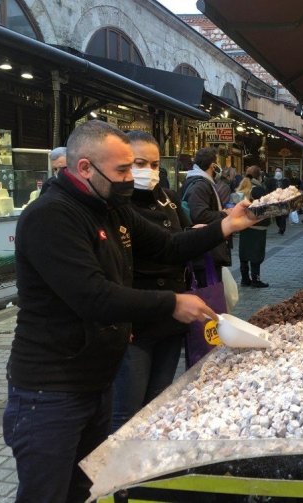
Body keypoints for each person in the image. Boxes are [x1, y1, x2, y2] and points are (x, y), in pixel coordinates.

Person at [3, 120, 258, 502]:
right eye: (122, 169)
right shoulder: (51, 216)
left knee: (85, 490)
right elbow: (94, 297)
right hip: (50, 391)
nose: (131, 178)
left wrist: (227, 225)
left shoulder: (111, 207)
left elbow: (169, 246)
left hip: (94, 382)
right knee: (47, 494)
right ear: (85, 168)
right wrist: (172, 302)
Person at [110, 131, 191, 434]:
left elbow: (180, 244)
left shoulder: (169, 199)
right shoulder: (116, 206)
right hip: (136, 322)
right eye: (139, 163)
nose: (148, 171)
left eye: (154, 164)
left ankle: (146, 458)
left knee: (158, 402)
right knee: (126, 411)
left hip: (171, 317)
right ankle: (118, 464)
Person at [179, 147, 232, 287]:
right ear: (213, 165)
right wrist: (225, 214)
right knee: (208, 292)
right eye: (217, 162)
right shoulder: (200, 185)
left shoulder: (201, 182)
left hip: (205, 250)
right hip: (205, 253)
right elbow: (200, 215)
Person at [238, 176, 270, 287]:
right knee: (256, 256)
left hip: (245, 229)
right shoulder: (260, 193)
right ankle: (256, 280)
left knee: (244, 256)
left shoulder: (243, 196)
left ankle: (245, 279)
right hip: (258, 231)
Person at [266, 167, 290, 234]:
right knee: (277, 215)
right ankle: (280, 226)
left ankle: (282, 228)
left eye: (279, 171)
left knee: (283, 215)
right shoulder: (271, 181)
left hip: (283, 201)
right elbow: (268, 190)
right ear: (275, 172)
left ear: (281, 172)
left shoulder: (285, 181)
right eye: (277, 171)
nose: (278, 173)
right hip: (274, 200)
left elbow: (288, 190)